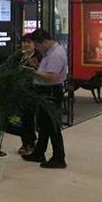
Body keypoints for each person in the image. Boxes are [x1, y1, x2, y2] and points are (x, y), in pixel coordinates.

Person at [23, 28, 68, 169]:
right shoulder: (50, 53)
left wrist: (33, 73)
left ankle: (59, 157)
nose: (37, 48)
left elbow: (52, 77)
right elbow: (48, 72)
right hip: (45, 91)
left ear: (44, 42)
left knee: (52, 126)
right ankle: (39, 152)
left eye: (37, 45)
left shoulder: (55, 54)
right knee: (43, 125)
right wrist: (37, 67)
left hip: (51, 92)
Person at [6, 33, 42, 155]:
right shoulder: (18, 56)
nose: (26, 44)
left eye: (29, 42)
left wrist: (35, 68)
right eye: (24, 42)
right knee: (21, 119)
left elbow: (43, 75)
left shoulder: (39, 57)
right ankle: (27, 142)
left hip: (32, 92)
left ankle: (29, 143)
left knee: (29, 118)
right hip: (19, 91)